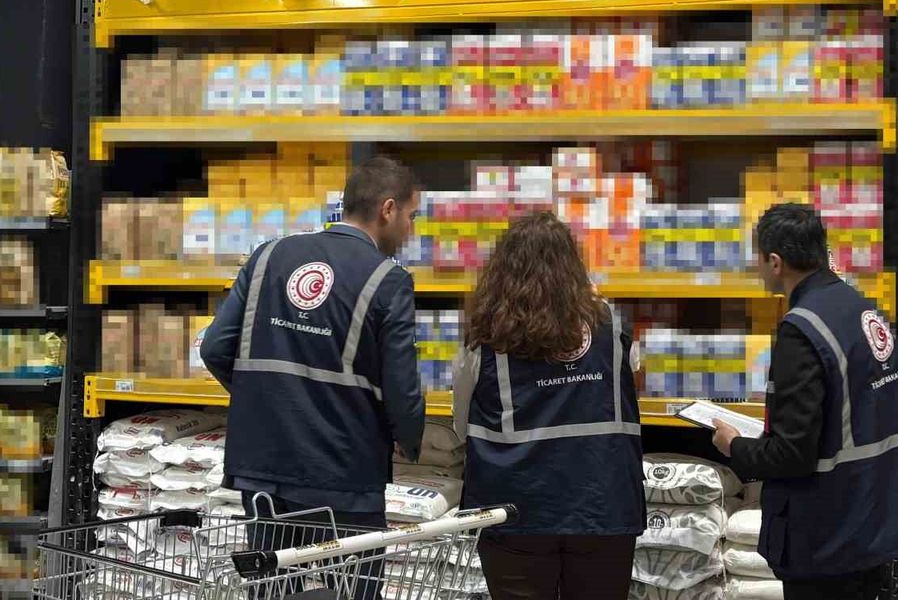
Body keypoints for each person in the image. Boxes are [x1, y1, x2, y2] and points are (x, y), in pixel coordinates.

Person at [200, 155, 425, 598]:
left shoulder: (269, 256)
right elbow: (402, 386)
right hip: (342, 472)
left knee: (273, 588)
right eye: (411, 216)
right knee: (354, 591)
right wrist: (409, 437)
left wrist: (263, 397)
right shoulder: (387, 279)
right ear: (387, 209)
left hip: (263, 465)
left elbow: (214, 348)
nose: (410, 230)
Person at [711, 203, 898, 600]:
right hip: (875, 517)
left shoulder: (802, 329)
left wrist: (735, 446)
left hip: (828, 532)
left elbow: (792, 454)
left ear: (775, 262)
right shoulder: (863, 309)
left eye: (759, 259)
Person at [453, 211, 645, 600]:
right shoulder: (612, 325)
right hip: (602, 503)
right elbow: (631, 387)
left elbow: (462, 422)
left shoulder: (485, 336)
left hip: (515, 508)